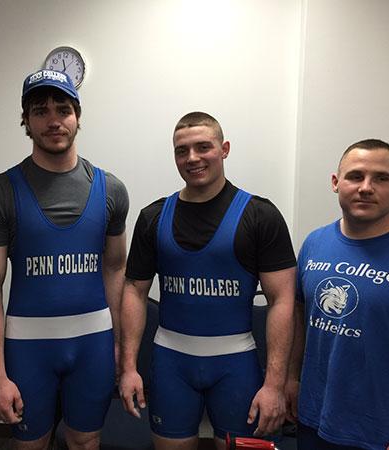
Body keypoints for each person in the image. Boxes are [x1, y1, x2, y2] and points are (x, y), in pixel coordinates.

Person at [0, 69, 129, 450]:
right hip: (28, 349)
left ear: (77, 116)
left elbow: (115, 267)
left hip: (93, 344)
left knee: (86, 440)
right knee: (30, 443)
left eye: (63, 109)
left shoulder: (111, 189)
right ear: (26, 120)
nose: (53, 120)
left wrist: (120, 344)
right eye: (40, 111)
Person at [119, 111, 296, 450]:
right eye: (182, 150)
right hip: (171, 363)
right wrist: (128, 368)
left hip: (237, 366)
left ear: (224, 149)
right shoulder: (153, 217)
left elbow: (282, 300)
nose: (192, 158)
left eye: (203, 147)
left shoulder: (261, 216)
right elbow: (134, 291)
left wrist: (275, 385)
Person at [286, 139, 389, 450]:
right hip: (314, 421)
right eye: (355, 176)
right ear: (335, 183)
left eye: (381, 178)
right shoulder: (314, 243)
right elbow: (298, 315)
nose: (366, 187)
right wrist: (291, 379)